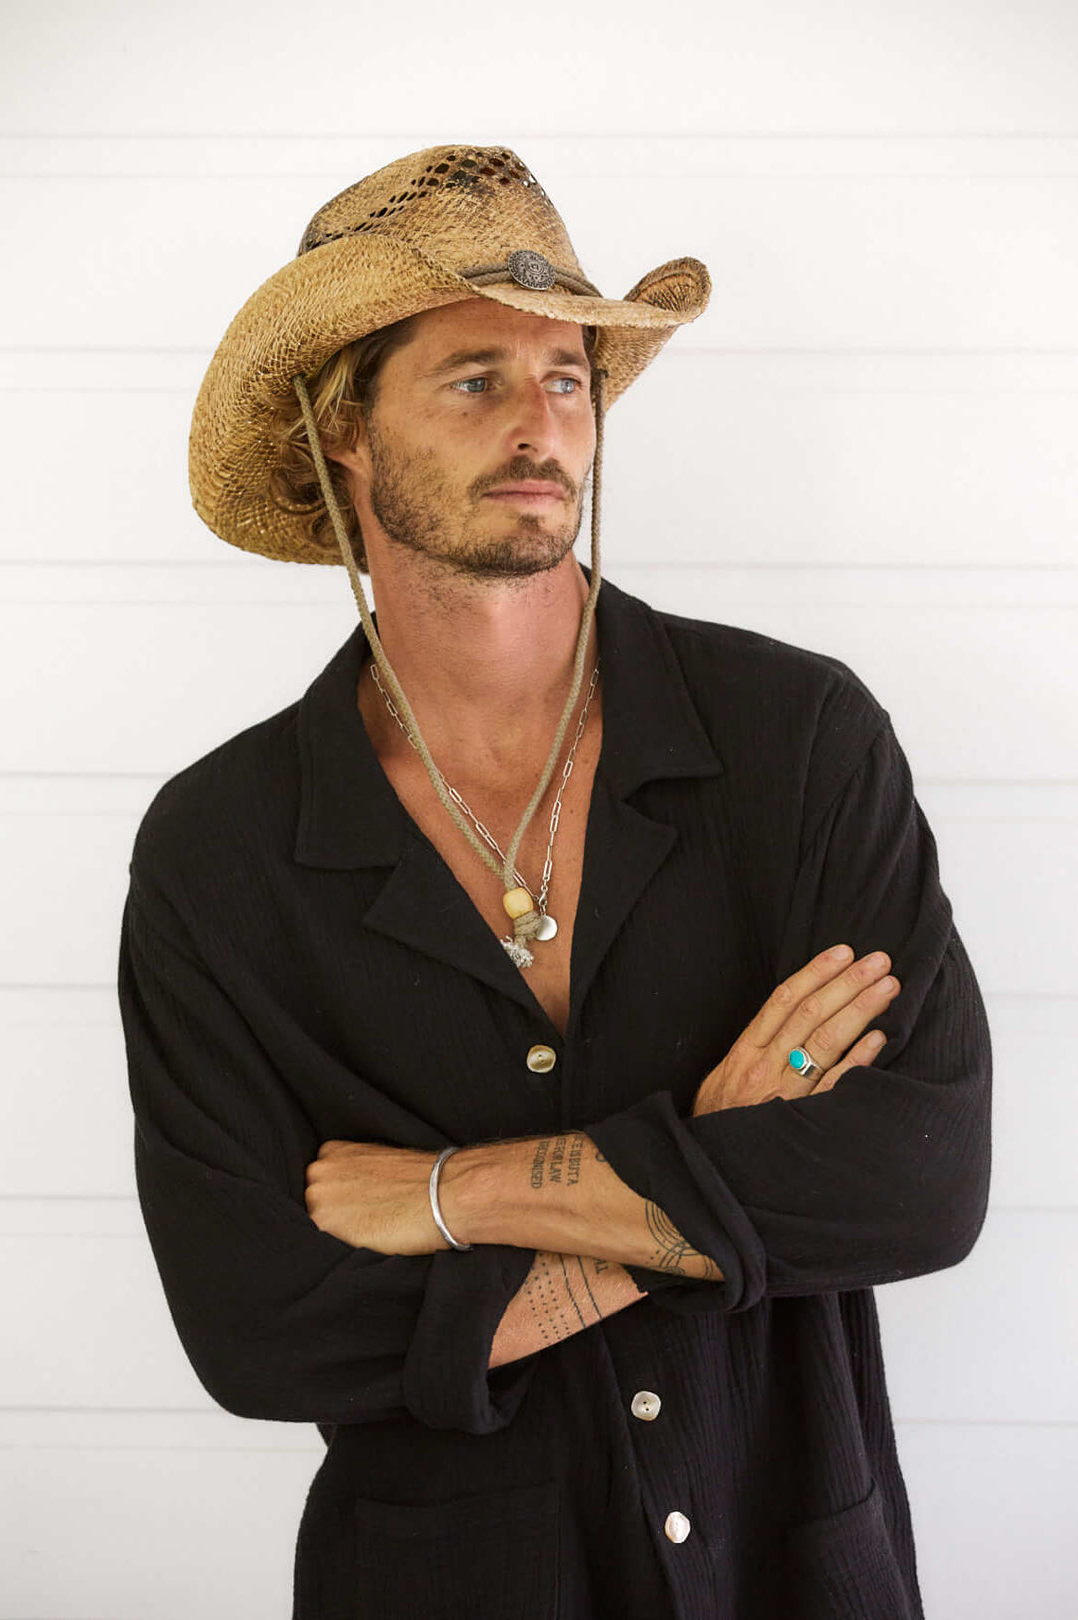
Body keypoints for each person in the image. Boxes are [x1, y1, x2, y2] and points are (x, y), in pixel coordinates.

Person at [117, 144, 992, 1620]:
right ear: (344, 429)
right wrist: (713, 1169)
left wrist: (455, 1198)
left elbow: (919, 1179)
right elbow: (260, 1328)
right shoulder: (223, 847)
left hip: (796, 1563)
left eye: (570, 377)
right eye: (474, 379)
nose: (544, 426)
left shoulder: (794, 739)